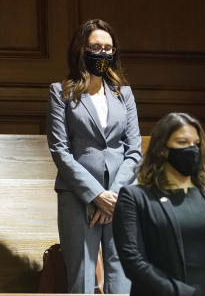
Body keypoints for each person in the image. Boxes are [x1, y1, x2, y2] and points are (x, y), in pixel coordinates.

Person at [46, 19, 141, 293]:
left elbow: (134, 150)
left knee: (122, 277)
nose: (103, 54)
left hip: (121, 199)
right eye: (96, 47)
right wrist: (96, 195)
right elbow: (60, 151)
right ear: (81, 50)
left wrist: (113, 196)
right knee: (83, 280)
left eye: (108, 48)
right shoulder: (60, 92)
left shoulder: (124, 94)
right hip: (79, 198)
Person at [113, 113, 205, 296]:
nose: (192, 150)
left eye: (196, 144)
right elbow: (133, 261)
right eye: (182, 143)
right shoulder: (135, 198)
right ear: (162, 149)